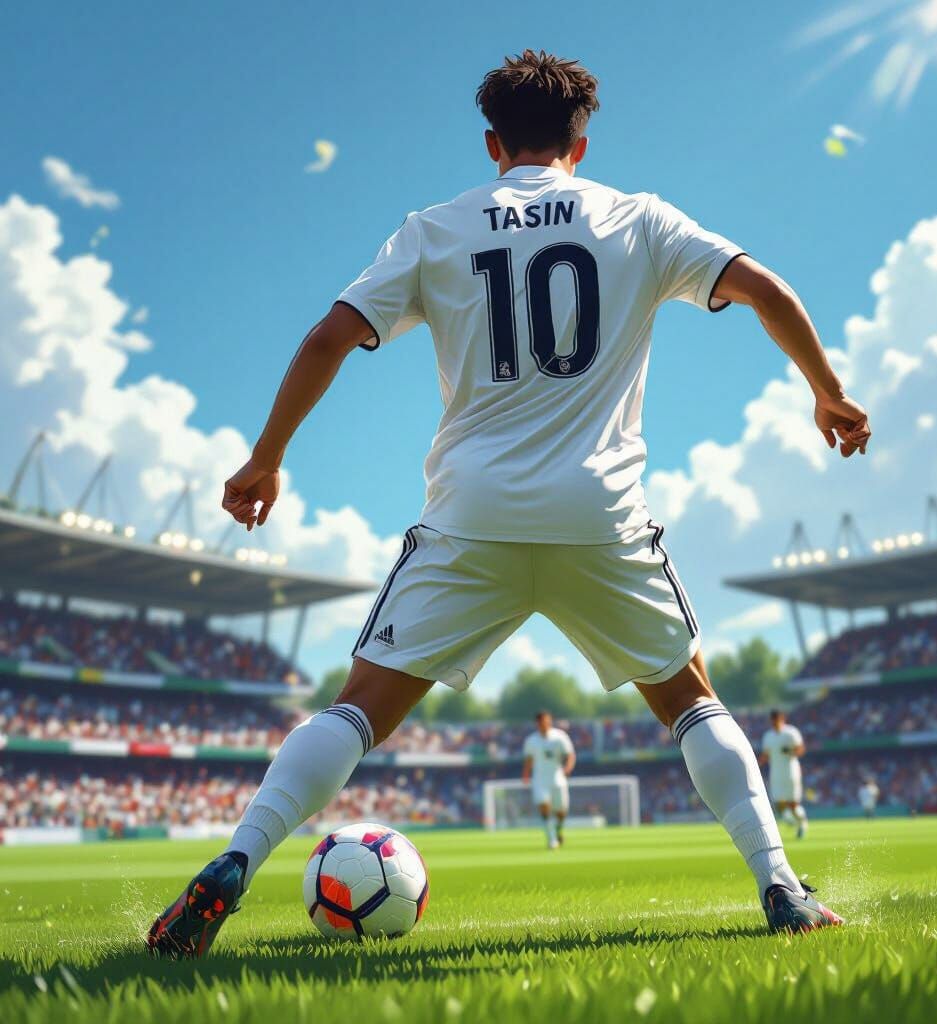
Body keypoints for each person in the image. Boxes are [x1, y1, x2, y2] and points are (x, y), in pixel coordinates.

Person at [149, 48, 867, 957]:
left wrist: (265, 459)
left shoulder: (437, 227)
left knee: (358, 707)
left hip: (471, 515)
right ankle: (780, 884)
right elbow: (763, 287)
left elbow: (331, 333)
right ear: (582, 138)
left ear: (494, 143)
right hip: (599, 517)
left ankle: (234, 864)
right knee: (691, 703)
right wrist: (826, 390)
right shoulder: (638, 218)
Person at [522, 710, 576, 848]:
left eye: (548, 721)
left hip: (557, 778)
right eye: (542, 721)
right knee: (544, 806)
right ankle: (551, 838)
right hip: (540, 779)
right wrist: (526, 775)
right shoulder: (531, 740)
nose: (545, 724)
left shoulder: (560, 736)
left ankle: (558, 829)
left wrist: (568, 768)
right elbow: (528, 760)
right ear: (538, 723)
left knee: (561, 811)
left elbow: (570, 754)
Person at [759, 710, 809, 838]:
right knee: (778, 802)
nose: (775, 722)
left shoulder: (791, 732)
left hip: (791, 771)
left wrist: (791, 751)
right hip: (776, 773)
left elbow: (801, 749)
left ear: (782, 718)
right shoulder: (768, 736)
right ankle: (793, 821)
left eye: (777, 719)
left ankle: (802, 824)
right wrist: (756, 766)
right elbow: (765, 755)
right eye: (773, 719)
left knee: (792, 803)